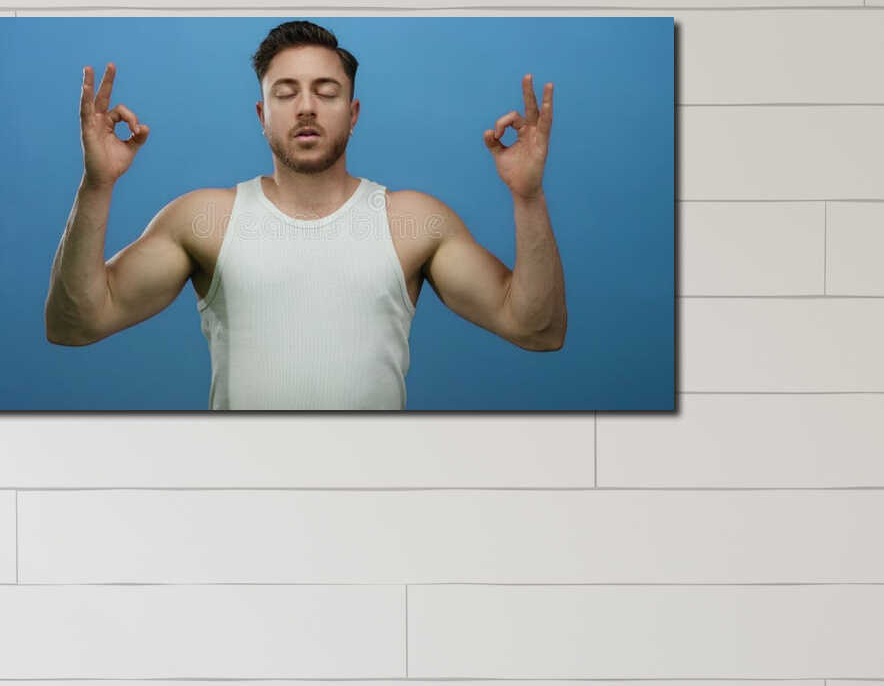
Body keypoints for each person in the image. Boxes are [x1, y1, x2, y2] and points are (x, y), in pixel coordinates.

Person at [43, 20, 567, 410]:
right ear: (261, 114)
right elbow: (77, 323)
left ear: (353, 113)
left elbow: (536, 329)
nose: (307, 108)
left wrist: (528, 197)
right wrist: (97, 184)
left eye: (326, 91)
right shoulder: (206, 220)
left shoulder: (413, 223)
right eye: (285, 93)